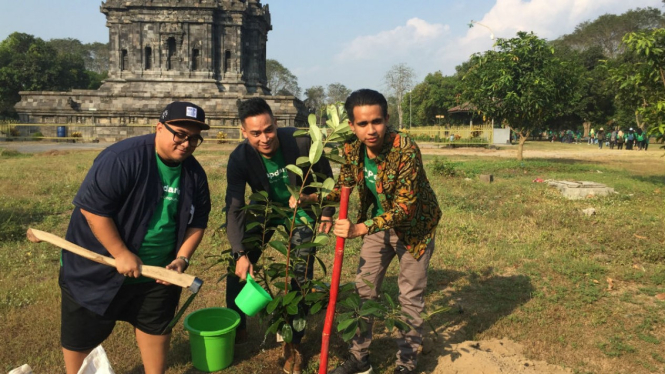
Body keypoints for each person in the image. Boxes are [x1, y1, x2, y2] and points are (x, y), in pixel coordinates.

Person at [60, 101, 212, 374]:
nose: (186, 143)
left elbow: (197, 223)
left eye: (194, 138)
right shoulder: (123, 158)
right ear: (159, 128)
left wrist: (181, 258)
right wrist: (120, 252)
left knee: (156, 326)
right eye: (180, 134)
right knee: (82, 332)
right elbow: (93, 211)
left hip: (158, 271)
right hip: (99, 266)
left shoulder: (195, 174)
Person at [326, 89, 441, 374]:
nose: (371, 130)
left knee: (410, 297)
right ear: (351, 125)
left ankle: (406, 364)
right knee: (364, 290)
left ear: (387, 119)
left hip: (415, 230)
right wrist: (311, 199)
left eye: (376, 121)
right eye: (363, 124)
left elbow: (405, 208)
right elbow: (344, 185)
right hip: (378, 227)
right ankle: (360, 359)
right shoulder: (352, 148)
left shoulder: (405, 148)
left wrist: (359, 228)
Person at [224, 97, 335, 374]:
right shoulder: (239, 158)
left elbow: (329, 182)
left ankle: (293, 343)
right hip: (265, 212)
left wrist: (325, 210)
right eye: (255, 133)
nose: (264, 138)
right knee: (235, 267)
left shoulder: (301, 143)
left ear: (276, 123)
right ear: (243, 132)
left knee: (299, 273)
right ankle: (236, 324)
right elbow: (235, 208)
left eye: (268, 130)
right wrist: (240, 253)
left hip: (303, 210)